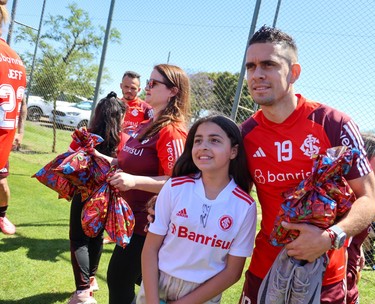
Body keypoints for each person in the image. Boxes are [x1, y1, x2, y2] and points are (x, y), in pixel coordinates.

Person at [239, 25, 375, 304]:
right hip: (265, 267)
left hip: (323, 275)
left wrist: (330, 237)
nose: (257, 74)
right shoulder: (245, 134)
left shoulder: (334, 123)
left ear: (294, 72)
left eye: (269, 65)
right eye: (251, 66)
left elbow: (369, 200)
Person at [94, 64, 191, 304]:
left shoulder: (172, 131)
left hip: (149, 226)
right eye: (148, 82)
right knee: (134, 282)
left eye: (153, 84)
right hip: (130, 223)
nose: (147, 87)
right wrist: (101, 158)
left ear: (173, 91)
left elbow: (179, 181)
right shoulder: (146, 125)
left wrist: (133, 181)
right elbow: (129, 161)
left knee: (118, 278)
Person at [138, 114, 257, 304]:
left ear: (233, 151)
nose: (203, 146)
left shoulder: (244, 206)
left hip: (202, 294)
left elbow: (232, 272)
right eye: (198, 140)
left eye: (215, 140)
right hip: (157, 285)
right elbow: (150, 249)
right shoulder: (175, 187)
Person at [67, 92, 129, 304]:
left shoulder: (86, 136)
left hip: (83, 193)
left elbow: (69, 160)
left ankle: (83, 292)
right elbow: (125, 164)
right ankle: (90, 280)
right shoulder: (126, 141)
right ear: (119, 118)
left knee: (78, 239)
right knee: (96, 237)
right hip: (109, 196)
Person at [346, 134, 375, 303]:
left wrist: (358, 247)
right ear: (365, 158)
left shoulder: (365, 189)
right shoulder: (349, 192)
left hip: (350, 269)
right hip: (339, 276)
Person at [0, 0, 27, 235]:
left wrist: (21, 130)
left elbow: (23, 104)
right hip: (3, 142)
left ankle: (1, 215)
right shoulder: (16, 58)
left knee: (2, 183)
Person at [119, 70, 153, 136]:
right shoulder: (115, 105)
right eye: (126, 87)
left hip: (134, 145)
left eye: (133, 88)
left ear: (139, 90)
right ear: (121, 86)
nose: (129, 90)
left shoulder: (146, 108)